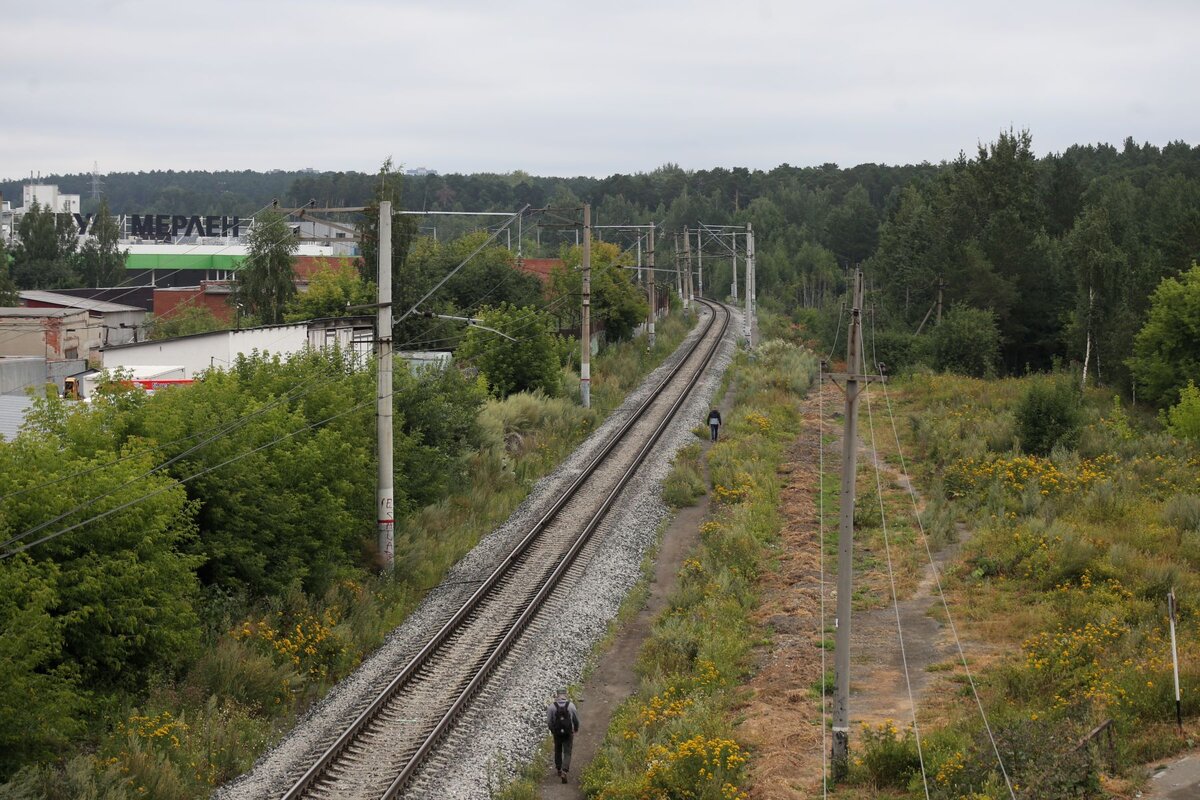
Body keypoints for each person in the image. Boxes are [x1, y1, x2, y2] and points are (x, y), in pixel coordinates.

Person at [545, 690, 580, 783]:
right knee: (567, 752)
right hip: (568, 732)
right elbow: (576, 719)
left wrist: (552, 730)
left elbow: (549, 721)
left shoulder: (552, 707)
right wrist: (576, 728)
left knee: (558, 750)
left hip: (557, 733)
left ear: (557, 695)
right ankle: (565, 771)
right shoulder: (571, 705)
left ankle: (559, 769)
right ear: (565, 695)